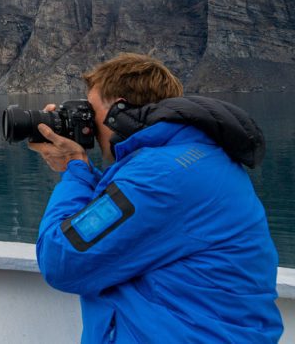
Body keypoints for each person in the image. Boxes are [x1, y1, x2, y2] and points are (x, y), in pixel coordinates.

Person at [29, 53, 283, 342]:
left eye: (92, 111)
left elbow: (61, 261)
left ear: (119, 111)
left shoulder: (158, 177)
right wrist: (81, 168)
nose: (89, 125)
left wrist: (73, 170)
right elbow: (130, 217)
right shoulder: (197, 156)